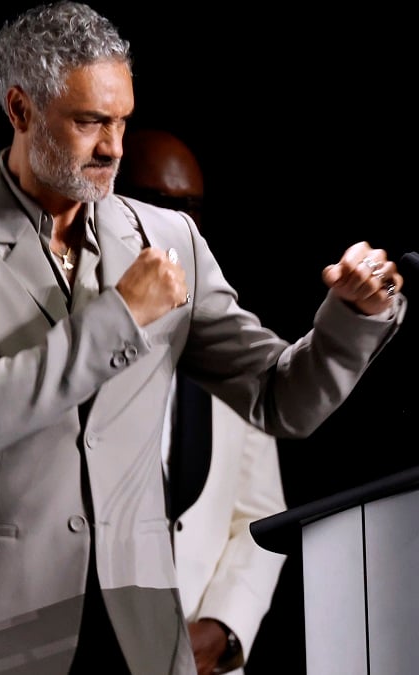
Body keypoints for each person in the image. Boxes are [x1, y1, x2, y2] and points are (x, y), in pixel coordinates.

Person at [0, 3, 406, 674]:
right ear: (19, 110)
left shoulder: (168, 237)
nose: (114, 147)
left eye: (121, 120)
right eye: (89, 121)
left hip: (139, 638)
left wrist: (351, 317)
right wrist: (123, 314)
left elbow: (279, 399)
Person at [117, 127, 287, 675]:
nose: (174, 226)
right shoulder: (67, 336)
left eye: (190, 209)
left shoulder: (226, 342)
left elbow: (261, 514)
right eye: (156, 202)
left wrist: (223, 629)